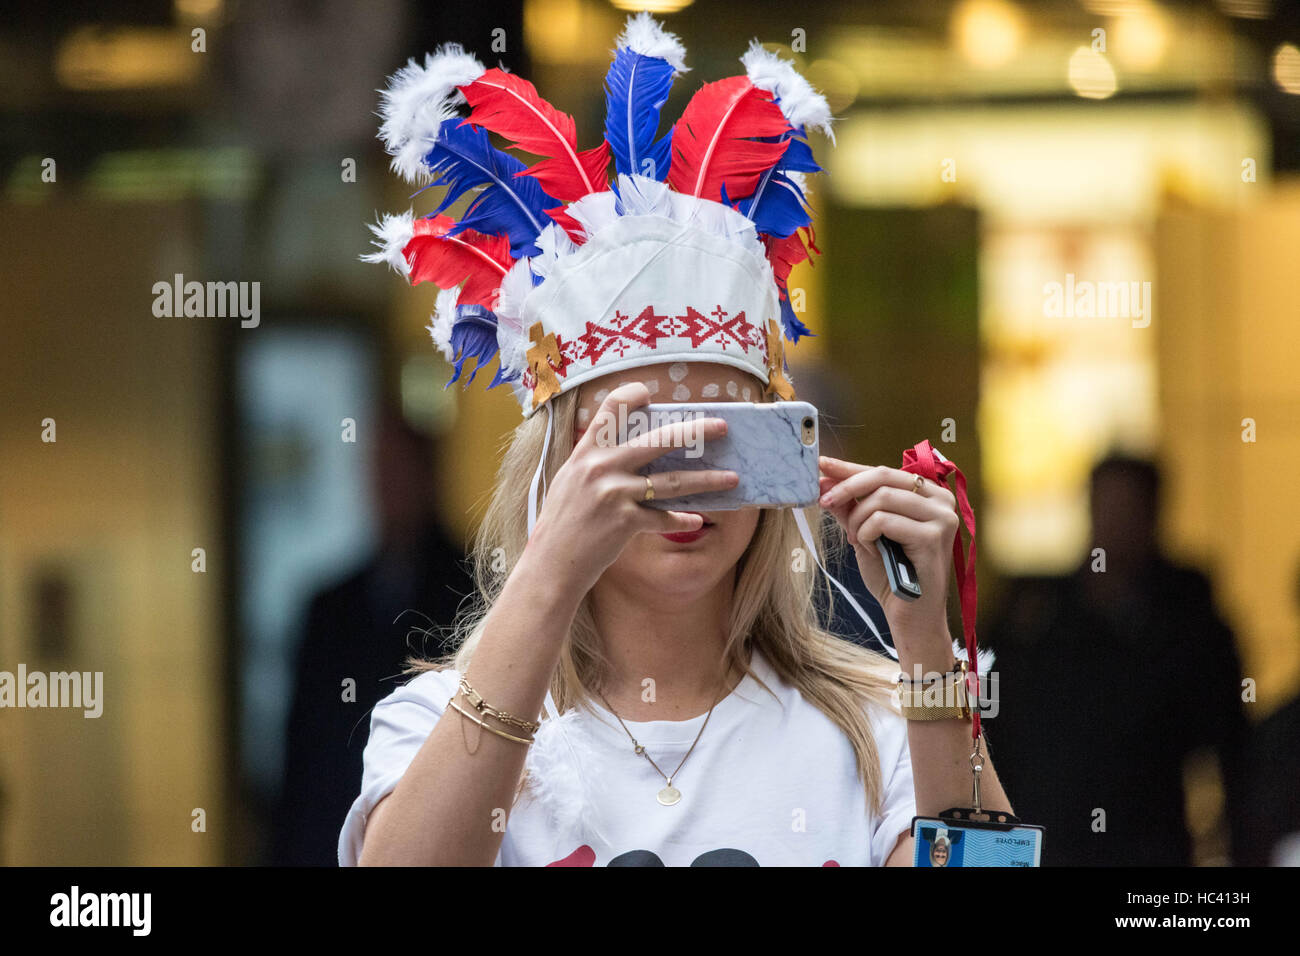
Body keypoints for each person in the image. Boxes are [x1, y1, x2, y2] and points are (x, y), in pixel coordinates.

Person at [339, 12, 1011, 866]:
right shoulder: (440, 721)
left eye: (725, 435)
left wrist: (924, 646)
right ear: (560, 463)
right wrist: (552, 567)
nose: (687, 484)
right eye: (645, 439)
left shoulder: (878, 719)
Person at [984, 453, 1248, 866]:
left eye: (1128, 509)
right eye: (1106, 506)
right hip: (1045, 836)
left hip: (1146, 839)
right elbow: (989, 721)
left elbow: (1227, 740)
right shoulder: (1037, 611)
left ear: (1153, 515)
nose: (1115, 524)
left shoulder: (1186, 616)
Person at [271, 409, 469, 865]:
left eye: (400, 470)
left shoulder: (473, 590)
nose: (388, 486)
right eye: (379, 471)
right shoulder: (329, 606)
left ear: (428, 476)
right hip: (329, 831)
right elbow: (301, 751)